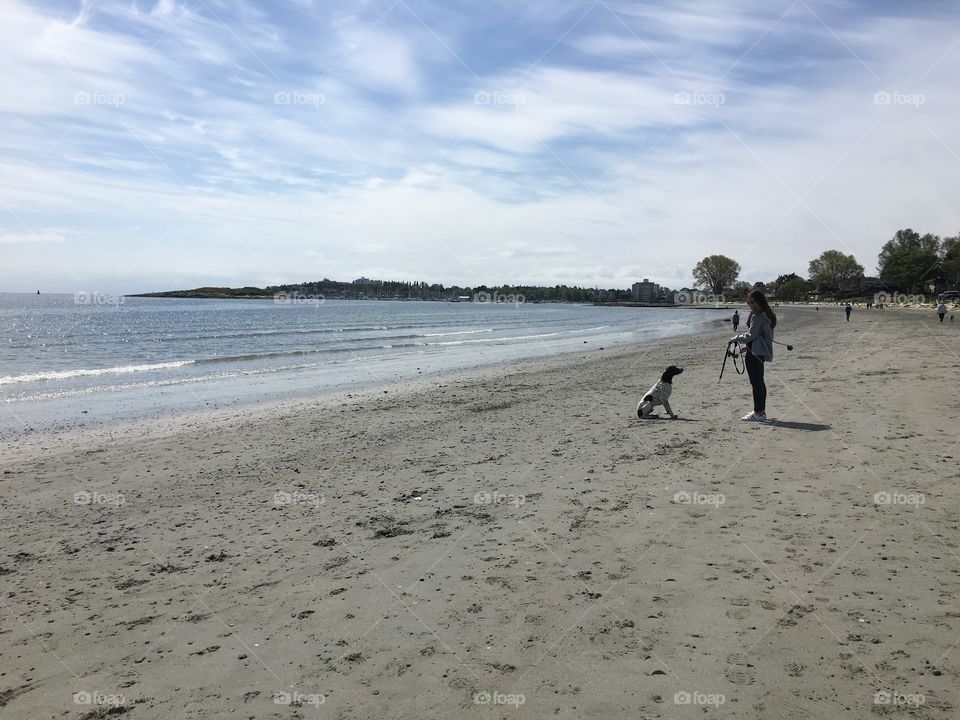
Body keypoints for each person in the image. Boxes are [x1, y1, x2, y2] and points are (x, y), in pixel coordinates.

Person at [731, 289, 776, 422]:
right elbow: (761, 337)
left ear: (760, 301)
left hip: (756, 354)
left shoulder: (758, 316)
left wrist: (736, 338)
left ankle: (758, 413)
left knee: (756, 383)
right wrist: (747, 347)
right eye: (749, 302)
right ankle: (760, 411)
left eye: (752, 302)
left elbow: (751, 335)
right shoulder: (768, 315)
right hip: (760, 352)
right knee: (759, 383)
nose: (750, 304)